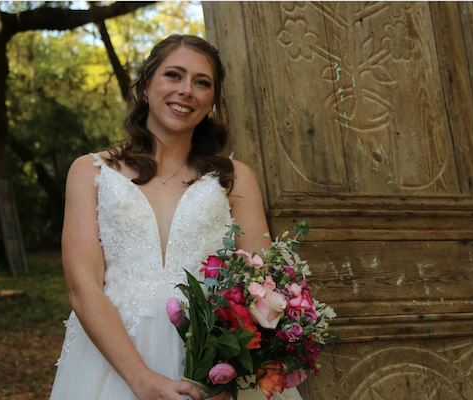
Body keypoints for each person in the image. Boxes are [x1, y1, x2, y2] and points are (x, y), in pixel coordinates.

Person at [50, 35, 303, 400]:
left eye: (202, 83)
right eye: (174, 75)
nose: (187, 90)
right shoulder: (90, 172)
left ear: (212, 101)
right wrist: (140, 379)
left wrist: (228, 372)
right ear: (147, 83)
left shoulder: (235, 178)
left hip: (213, 362)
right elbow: (83, 286)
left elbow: (261, 285)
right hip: (113, 362)